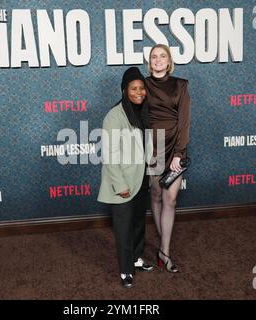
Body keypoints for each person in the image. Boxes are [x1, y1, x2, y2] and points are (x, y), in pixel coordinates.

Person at [98, 67, 154, 288]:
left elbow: (146, 145)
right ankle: (125, 271)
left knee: (138, 223)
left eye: (142, 88)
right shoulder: (114, 116)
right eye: (133, 88)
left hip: (141, 179)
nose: (139, 92)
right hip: (122, 182)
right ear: (124, 90)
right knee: (123, 228)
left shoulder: (143, 111)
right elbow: (109, 154)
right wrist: (120, 184)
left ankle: (136, 258)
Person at [145, 44, 191, 273]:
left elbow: (184, 121)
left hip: (174, 148)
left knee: (170, 200)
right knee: (155, 194)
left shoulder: (181, 85)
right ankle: (163, 239)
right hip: (152, 149)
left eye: (162, 56)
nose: (158, 59)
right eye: (154, 56)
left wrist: (180, 154)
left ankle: (164, 251)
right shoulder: (141, 85)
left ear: (169, 60)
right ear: (149, 61)